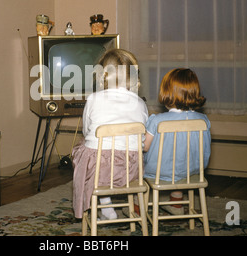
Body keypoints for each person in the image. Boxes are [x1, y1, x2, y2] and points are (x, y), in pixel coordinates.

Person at [72, 48, 148, 220]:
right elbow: (142, 136)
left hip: (100, 169)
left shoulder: (93, 99)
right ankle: (108, 207)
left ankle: (105, 205)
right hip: (131, 171)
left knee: (83, 147)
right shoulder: (140, 103)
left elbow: (86, 130)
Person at [143, 68, 211, 215]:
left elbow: (145, 146)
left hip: (159, 172)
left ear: (166, 93)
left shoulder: (157, 120)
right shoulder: (203, 120)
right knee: (181, 158)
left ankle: (137, 206)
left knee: (137, 162)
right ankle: (176, 203)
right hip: (192, 171)